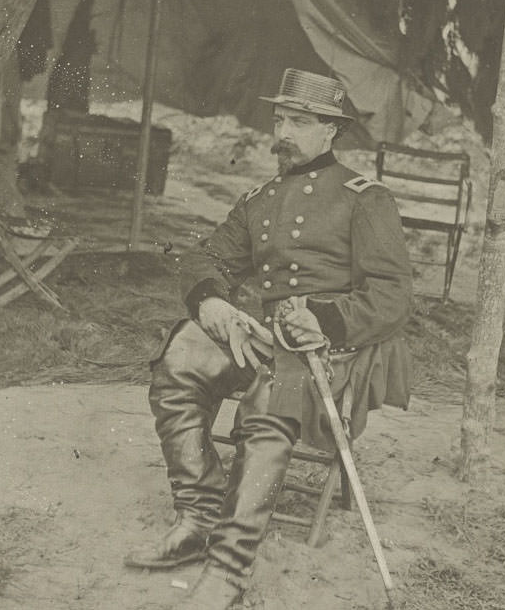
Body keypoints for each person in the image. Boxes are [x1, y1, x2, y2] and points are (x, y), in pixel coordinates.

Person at [125, 68, 413, 609]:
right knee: (180, 358)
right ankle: (199, 512)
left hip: (331, 350)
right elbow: (204, 257)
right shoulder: (259, 198)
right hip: (267, 340)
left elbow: (394, 296)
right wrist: (214, 304)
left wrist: (325, 321)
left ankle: (228, 570)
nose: (283, 132)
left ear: (331, 130)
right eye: (280, 119)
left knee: (267, 401)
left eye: (299, 122)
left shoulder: (364, 199)